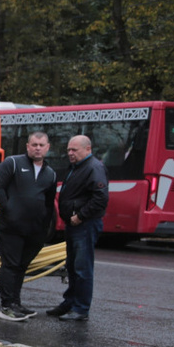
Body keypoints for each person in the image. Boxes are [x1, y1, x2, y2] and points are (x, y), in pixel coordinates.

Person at [0, 131, 56, 322]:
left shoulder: (50, 173)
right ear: (27, 146)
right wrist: (9, 209)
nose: (37, 148)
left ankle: (16, 303)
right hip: (11, 228)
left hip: (35, 231)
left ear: (47, 148)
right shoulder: (12, 163)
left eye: (41, 145)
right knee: (10, 265)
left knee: (21, 266)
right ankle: (7, 306)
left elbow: (49, 202)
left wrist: (45, 229)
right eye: (34, 144)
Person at [47, 135, 108, 322]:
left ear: (88, 149)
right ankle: (70, 302)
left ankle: (81, 308)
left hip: (84, 224)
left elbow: (100, 197)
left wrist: (81, 215)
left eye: (74, 150)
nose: (70, 153)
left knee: (82, 268)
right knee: (72, 266)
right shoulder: (78, 167)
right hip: (74, 225)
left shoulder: (93, 168)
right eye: (68, 150)